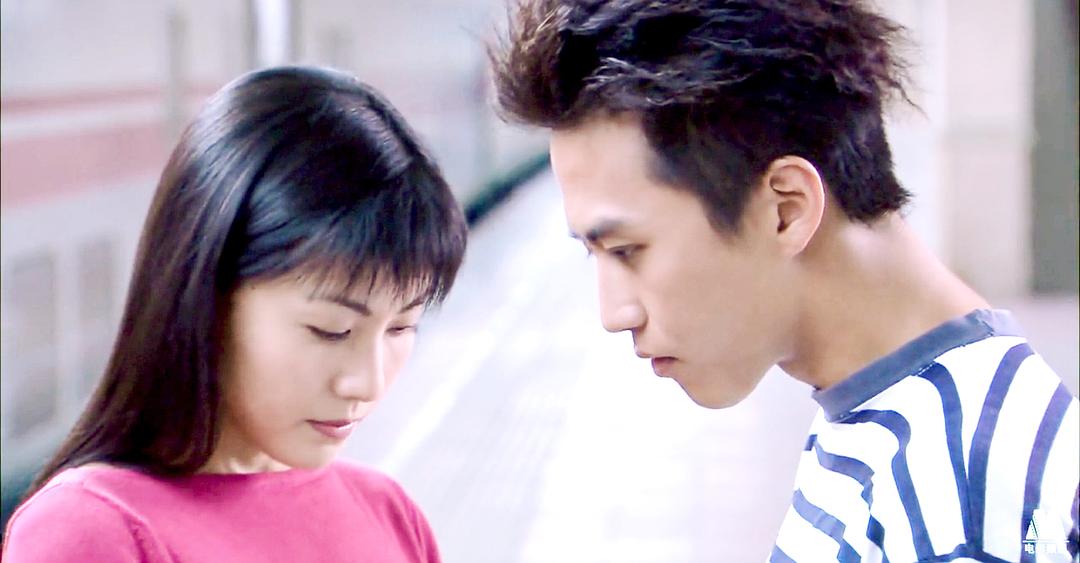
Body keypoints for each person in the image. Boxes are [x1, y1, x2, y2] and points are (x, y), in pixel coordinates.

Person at [489, 1, 1079, 560]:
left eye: (626, 251)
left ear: (786, 210)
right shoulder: (891, 409)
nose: (614, 313)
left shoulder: (954, 501)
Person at [2, 65, 467, 562]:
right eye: (331, 330)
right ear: (208, 294)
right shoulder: (89, 532)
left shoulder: (389, 513)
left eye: (401, 327)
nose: (366, 384)